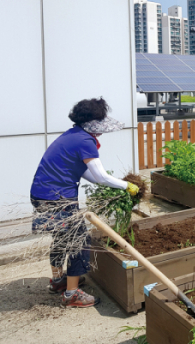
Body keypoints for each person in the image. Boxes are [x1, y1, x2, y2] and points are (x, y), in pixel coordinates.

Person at [30, 98, 140, 308]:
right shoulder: (84, 141)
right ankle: (71, 294)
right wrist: (126, 186)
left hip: (43, 195)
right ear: (93, 124)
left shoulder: (72, 135)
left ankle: (58, 280)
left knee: (62, 238)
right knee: (78, 241)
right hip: (57, 199)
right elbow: (100, 176)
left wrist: (111, 184)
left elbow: (86, 173)